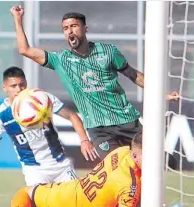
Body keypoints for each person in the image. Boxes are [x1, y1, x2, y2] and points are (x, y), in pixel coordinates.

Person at [10, 5, 179, 159]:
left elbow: (134, 75)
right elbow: (25, 50)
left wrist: (162, 94)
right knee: (116, 171)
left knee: (153, 162)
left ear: (85, 28)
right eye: (65, 28)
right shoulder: (61, 60)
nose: (70, 31)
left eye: (74, 26)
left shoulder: (108, 51)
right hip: (98, 129)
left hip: (126, 120)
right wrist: (18, 20)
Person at [0, 66, 97, 207]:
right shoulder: (0, 116)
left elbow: (73, 116)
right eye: (13, 86)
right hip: (35, 171)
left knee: (81, 204)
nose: (19, 89)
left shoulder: (42, 99)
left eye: (22, 84)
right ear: (4, 87)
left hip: (61, 165)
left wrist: (84, 140)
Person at [0, 133, 143, 207]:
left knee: (25, 193)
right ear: (135, 156)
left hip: (69, 195)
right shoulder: (130, 183)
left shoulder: (122, 151)